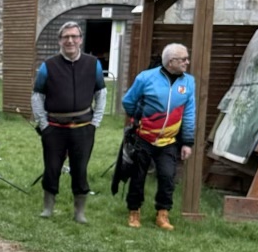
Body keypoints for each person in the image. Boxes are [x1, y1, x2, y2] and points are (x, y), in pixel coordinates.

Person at [31, 21, 106, 224]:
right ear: (60, 41)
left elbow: (101, 93)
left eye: (74, 36)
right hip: (54, 129)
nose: (70, 40)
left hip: (83, 128)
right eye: (66, 37)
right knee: (52, 167)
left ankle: (79, 212)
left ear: (80, 40)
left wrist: (95, 122)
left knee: (80, 169)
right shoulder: (48, 66)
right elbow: (37, 96)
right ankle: (48, 208)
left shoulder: (93, 64)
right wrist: (44, 124)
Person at [121, 43, 195, 230]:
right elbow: (128, 101)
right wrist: (137, 117)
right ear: (171, 62)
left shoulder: (189, 82)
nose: (187, 62)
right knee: (138, 177)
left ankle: (163, 214)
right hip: (143, 138)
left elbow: (189, 113)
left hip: (168, 141)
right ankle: (134, 211)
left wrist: (187, 142)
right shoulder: (146, 78)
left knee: (167, 176)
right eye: (183, 59)